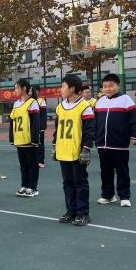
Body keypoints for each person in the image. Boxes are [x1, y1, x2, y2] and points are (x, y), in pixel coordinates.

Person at [52, 75, 95, 226]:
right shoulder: (60, 107)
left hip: (77, 152)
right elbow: (57, 129)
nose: (61, 89)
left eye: (63, 86)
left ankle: (83, 213)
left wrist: (86, 149)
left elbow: (89, 130)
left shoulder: (84, 106)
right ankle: (71, 211)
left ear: (72, 89)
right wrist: (54, 147)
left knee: (80, 182)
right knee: (67, 183)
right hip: (64, 150)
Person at [95, 74, 136, 207]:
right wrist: (94, 136)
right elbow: (95, 121)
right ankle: (108, 195)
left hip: (119, 143)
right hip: (102, 144)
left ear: (118, 86)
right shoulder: (100, 101)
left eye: (111, 86)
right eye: (104, 86)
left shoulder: (126, 99)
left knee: (122, 170)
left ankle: (124, 196)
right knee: (105, 171)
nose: (107, 89)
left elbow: (134, 119)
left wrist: (135, 135)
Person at [10, 79, 41, 198]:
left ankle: (33, 187)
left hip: (29, 140)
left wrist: (34, 139)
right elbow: (13, 121)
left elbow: (35, 122)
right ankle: (24, 185)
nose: (15, 90)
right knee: (23, 164)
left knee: (32, 164)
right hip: (19, 139)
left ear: (23, 89)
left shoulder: (32, 102)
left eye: (17, 88)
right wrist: (12, 138)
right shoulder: (16, 104)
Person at [34, 85, 48, 168]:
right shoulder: (30, 101)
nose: (34, 92)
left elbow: (43, 115)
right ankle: (34, 161)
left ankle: (41, 161)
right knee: (33, 145)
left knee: (40, 144)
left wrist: (42, 127)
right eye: (32, 90)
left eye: (36, 91)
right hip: (32, 128)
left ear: (38, 92)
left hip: (39, 127)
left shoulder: (41, 101)